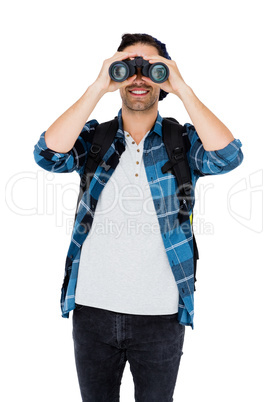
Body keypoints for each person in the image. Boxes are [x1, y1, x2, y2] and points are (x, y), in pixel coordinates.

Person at [34, 33, 243, 402]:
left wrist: (182, 88)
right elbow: (47, 155)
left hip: (162, 316)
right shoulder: (97, 138)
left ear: (164, 78)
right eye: (129, 66)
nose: (139, 77)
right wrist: (99, 86)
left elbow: (227, 156)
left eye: (151, 68)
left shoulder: (182, 142)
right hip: (92, 311)